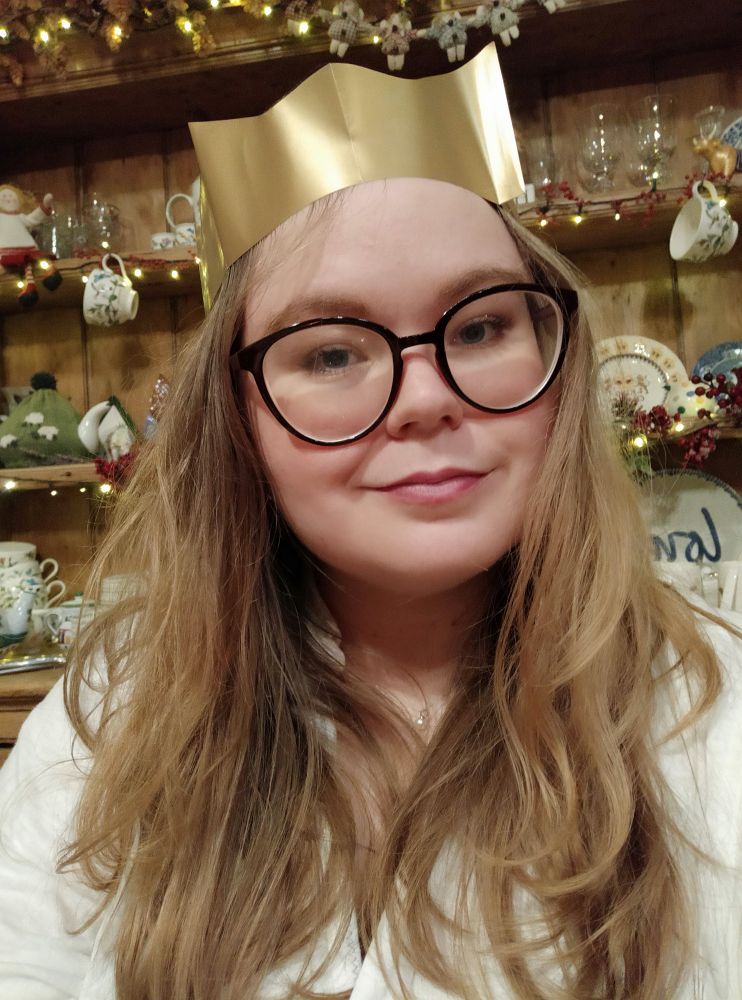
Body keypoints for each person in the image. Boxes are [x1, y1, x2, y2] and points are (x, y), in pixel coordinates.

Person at [1, 47, 741, 1000]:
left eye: (479, 328)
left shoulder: (712, 719)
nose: (426, 399)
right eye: (334, 351)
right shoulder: (108, 719)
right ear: (238, 415)